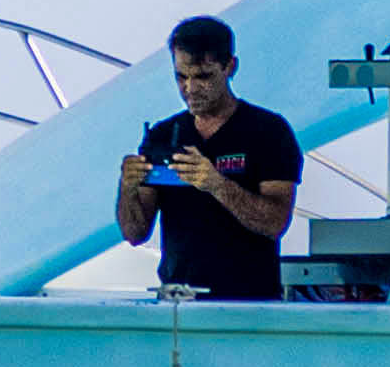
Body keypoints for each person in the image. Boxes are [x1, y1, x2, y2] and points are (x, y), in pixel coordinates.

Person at [112, 16, 301, 303]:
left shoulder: (268, 131)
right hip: (179, 301)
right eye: (181, 77)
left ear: (229, 67)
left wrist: (216, 185)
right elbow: (135, 233)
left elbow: (275, 222)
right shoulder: (164, 134)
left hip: (248, 301)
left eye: (203, 77)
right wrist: (127, 188)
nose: (190, 88)